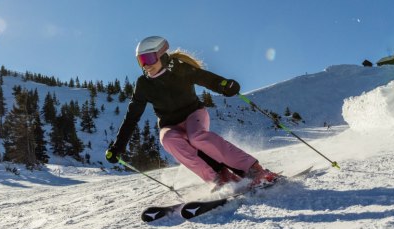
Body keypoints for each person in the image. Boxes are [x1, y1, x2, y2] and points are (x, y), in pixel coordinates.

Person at [105, 36, 278, 190]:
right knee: (168, 140)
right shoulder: (143, 84)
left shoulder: (179, 68)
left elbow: (204, 77)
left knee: (196, 137)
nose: (146, 65)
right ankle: (219, 178)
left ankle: (253, 170)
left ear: (161, 54)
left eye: (149, 58)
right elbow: (132, 116)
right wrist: (118, 147)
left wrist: (223, 85)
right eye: (141, 61)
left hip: (193, 114)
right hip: (170, 124)